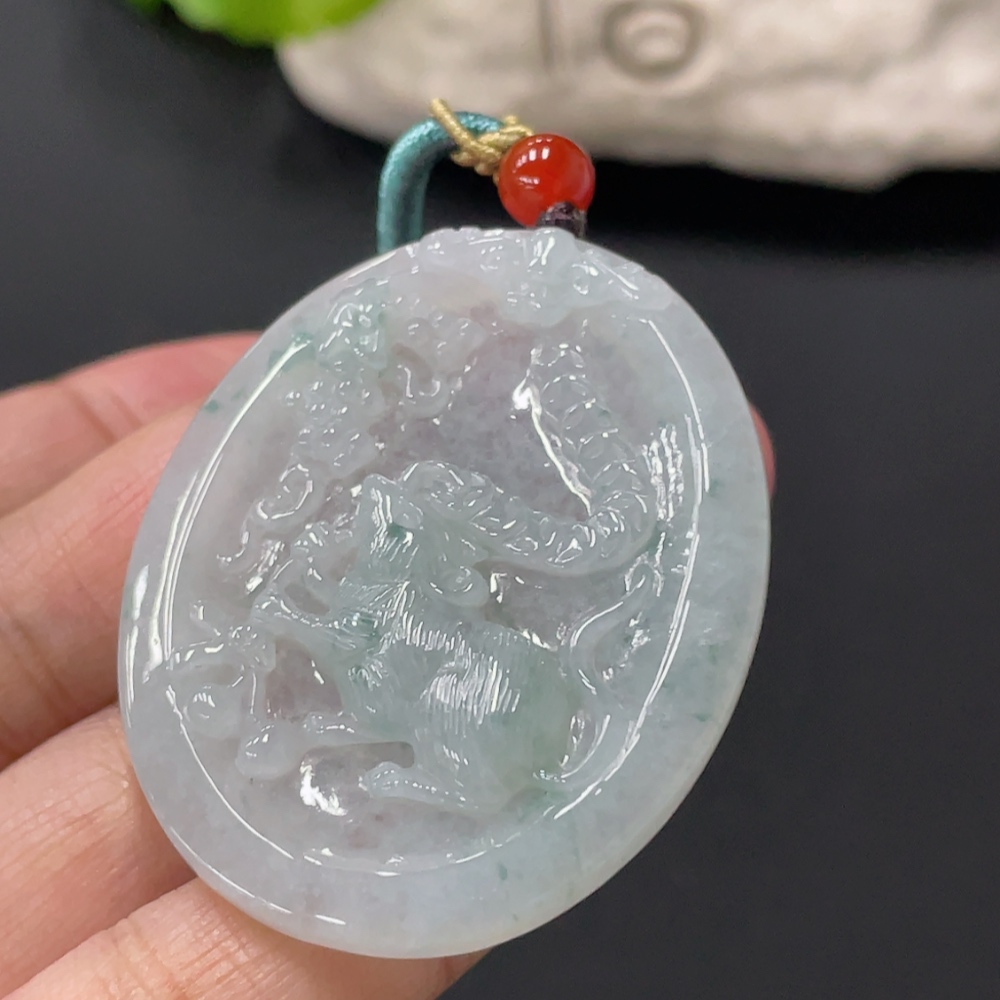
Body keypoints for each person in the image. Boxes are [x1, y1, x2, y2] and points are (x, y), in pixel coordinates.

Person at [0, 332, 774, 999]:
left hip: (473, 716)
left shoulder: (393, 611)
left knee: (435, 701)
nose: (371, 521)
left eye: (389, 526)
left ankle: (454, 780)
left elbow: (366, 668)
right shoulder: (379, 595)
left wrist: (301, 625)